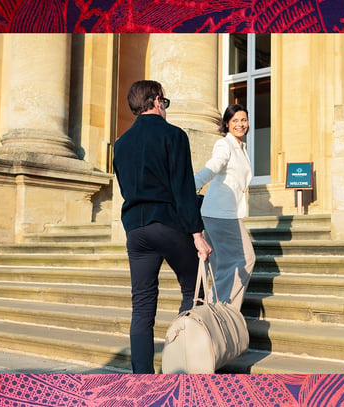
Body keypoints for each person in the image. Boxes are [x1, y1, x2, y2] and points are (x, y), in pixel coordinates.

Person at [112, 80, 211, 374]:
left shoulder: (121, 143)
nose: (165, 108)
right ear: (156, 100)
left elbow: (125, 185)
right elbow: (182, 189)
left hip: (136, 230)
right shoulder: (174, 135)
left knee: (142, 308)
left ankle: (141, 380)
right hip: (167, 223)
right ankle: (184, 360)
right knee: (195, 290)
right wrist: (197, 235)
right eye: (164, 102)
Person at [194, 104, 256, 311]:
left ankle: (214, 313)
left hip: (221, 213)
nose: (240, 124)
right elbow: (213, 166)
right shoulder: (224, 145)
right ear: (227, 124)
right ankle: (226, 312)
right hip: (221, 214)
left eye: (244, 120)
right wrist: (191, 186)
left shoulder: (241, 147)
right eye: (235, 121)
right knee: (246, 259)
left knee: (221, 268)